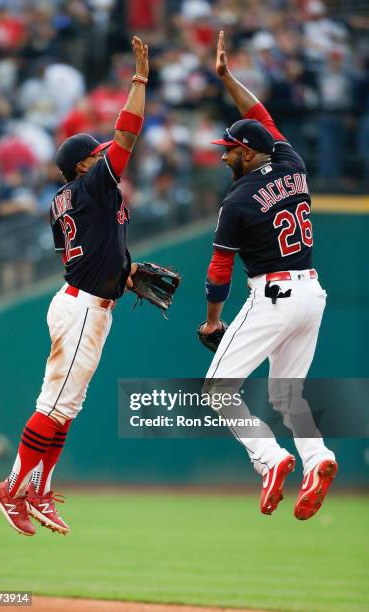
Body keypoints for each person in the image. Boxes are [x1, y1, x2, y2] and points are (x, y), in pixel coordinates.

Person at [0, 36, 149, 536]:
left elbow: (89, 250)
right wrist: (139, 81)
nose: (108, 160)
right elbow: (127, 134)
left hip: (86, 301)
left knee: (66, 409)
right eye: (97, 157)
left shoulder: (68, 198)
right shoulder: (93, 185)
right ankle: (12, 487)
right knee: (53, 407)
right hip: (81, 308)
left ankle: (36, 490)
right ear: (84, 166)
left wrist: (126, 270)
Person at [200, 32, 337, 521]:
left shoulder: (236, 201)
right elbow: (263, 119)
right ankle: (318, 458)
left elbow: (219, 271)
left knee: (217, 391)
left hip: (273, 294)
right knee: (286, 395)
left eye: (231, 149)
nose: (224, 155)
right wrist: (228, 79)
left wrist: (213, 321)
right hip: (311, 293)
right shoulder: (293, 164)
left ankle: (271, 459)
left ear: (250, 154)